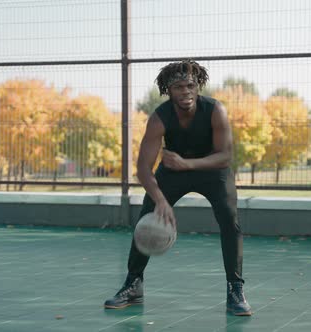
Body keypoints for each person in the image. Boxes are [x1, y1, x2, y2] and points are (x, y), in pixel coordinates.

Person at [104, 60, 252, 316]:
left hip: (212, 168)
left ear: (198, 86)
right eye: (179, 87)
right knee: (148, 214)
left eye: (191, 85)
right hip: (173, 170)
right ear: (168, 91)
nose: (186, 92)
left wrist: (188, 163)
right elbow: (142, 169)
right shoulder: (160, 118)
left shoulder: (215, 109)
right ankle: (133, 284)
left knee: (230, 219)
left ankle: (235, 288)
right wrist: (160, 200)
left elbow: (226, 156)